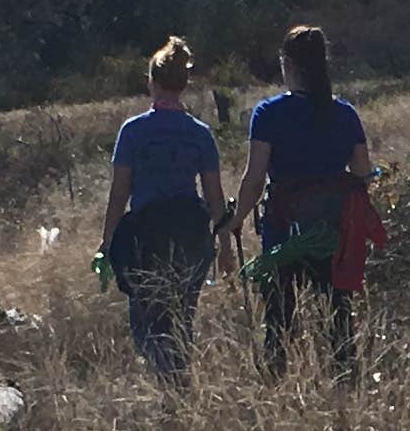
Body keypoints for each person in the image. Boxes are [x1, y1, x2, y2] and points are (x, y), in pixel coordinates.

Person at [231, 25, 374, 379]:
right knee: (338, 316)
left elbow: (254, 178)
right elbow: (361, 170)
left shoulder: (268, 114)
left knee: (279, 317)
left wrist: (234, 220)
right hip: (333, 230)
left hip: (284, 232)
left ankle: (275, 385)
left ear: (287, 64)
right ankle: (345, 382)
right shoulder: (344, 114)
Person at [98, 36, 228, 378]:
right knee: (181, 319)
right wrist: (225, 245)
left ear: (152, 82)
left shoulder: (133, 132)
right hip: (190, 238)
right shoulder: (199, 134)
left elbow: (119, 193)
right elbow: (215, 197)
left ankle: (169, 385)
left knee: (146, 327)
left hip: (146, 242)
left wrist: (107, 243)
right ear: (183, 85)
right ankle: (179, 386)